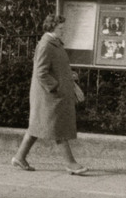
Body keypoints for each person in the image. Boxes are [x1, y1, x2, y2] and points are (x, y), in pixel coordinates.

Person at [11, 14, 88, 175]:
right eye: (61, 28)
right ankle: (71, 163)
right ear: (52, 28)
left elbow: (55, 68)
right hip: (49, 96)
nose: (63, 31)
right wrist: (56, 87)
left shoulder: (54, 44)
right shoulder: (47, 44)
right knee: (58, 127)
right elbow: (41, 72)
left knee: (37, 127)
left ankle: (19, 157)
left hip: (50, 95)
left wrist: (68, 76)